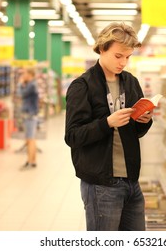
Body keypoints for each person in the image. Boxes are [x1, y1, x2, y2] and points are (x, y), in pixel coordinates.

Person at [64, 22, 153, 231]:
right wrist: (106, 124)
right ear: (102, 49)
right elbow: (73, 136)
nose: (123, 62)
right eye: (118, 56)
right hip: (101, 184)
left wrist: (145, 121)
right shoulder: (82, 86)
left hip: (131, 181)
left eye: (128, 57)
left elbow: (136, 133)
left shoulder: (131, 82)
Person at [18, 68, 39, 169]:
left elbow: (21, 94)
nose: (23, 75)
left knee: (29, 139)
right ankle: (33, 160)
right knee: (32, 139)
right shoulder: (32, 84)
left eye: (24, 73)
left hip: (29, 115)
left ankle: (29, 161)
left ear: (30, 74)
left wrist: (20, 84)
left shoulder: (31, 85)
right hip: (31, 114)